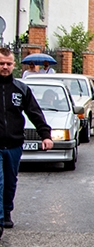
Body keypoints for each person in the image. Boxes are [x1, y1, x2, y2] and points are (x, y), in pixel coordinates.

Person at [0, 47, 53, 237]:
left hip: (14, 144)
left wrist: (45, 135)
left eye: (8, 64)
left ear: (14, 65)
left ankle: (6, 211)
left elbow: (34, 113)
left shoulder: (21, 89)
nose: (5, 67)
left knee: (10, 181)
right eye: (1, 64)